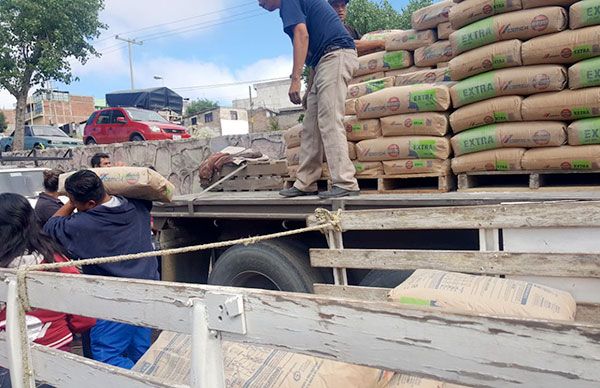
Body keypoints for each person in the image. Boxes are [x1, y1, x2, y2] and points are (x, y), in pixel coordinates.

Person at [44, 170, 158, 369]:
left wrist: (71, 203)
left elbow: (50, 228)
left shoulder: (84, 224)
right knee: (140, 352)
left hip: (113, 300)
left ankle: (146, 382)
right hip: (149, 291)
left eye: (74, 202)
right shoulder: (137, 207)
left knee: (107, 358)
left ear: (90, 204)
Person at [260, 0, 360, 199]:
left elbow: (301, 35)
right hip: (324, 60)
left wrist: (295, 79)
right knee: (310, 126)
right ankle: (306, 182)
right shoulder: (290, 6)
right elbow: (315, 53)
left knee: (330, 119)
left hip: (336, 54)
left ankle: (345, 182)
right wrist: (309, 89)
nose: (259, 3)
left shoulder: (289, 1)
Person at [0, 193, 96, 386]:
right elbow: (84, 317)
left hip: (4, 356)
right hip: (54, 350)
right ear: (30, 221)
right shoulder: (55, 261)